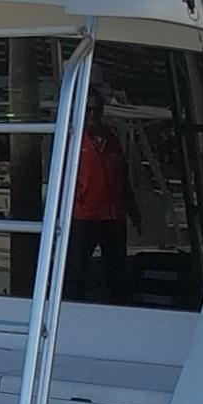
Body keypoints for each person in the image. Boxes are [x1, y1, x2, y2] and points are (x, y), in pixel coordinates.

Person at [67, 124, 131, 299]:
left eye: (95, 109)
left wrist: (133, 210)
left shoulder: (111, 139)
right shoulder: (74, 140)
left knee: (117, 271)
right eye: (88, 110)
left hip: (112, 215)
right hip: (83, 215)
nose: (92, 115)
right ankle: (72, 308)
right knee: (76, 271)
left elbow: (123, 177)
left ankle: (118, 308)